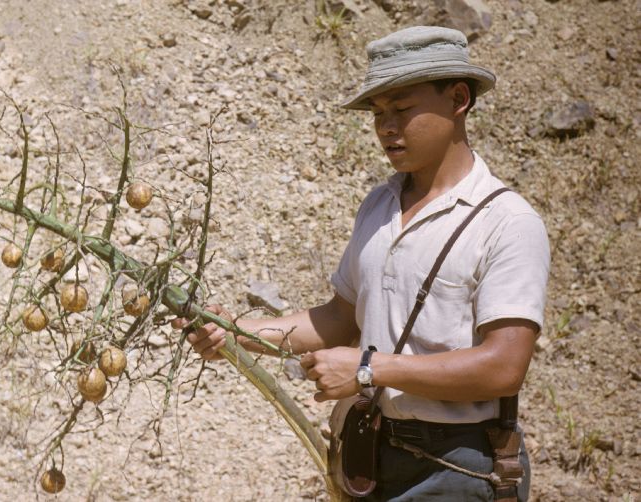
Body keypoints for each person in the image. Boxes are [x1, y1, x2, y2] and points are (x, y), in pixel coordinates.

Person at [173, 26, 550, 501]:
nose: (386, 127)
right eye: (378, 113)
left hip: (459, 469)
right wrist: (238, 333)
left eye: (402, 108)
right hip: (371, 456)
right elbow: (337, 319)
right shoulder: (379, 205)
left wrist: (370, 370)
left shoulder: (507, 222)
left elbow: (504, 366)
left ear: (458, 99)